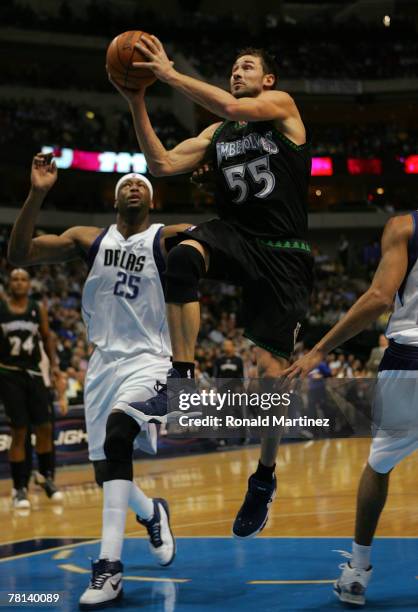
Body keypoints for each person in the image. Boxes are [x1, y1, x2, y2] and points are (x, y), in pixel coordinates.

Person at [111, 41, 313, 538]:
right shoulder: (217, 134)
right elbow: (159, 164)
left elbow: (230, 105)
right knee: (180, 260)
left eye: (247, 66)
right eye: (233, 66)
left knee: (271, 377)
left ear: (268, 80)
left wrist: (168, 73)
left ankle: (263, 478)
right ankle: (181, 377)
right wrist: (136, 98)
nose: (237, 71)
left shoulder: (282, 108)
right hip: (235, 235)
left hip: (283, 252)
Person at [8, 153, 190, 609]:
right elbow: (19, 255)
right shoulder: (89, 239)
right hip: (103, 363)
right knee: (107, 468)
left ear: (152, 200)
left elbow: (218, 237)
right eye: (127, 184)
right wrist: (37, 193)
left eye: (142, 185)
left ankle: (109, 567)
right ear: (114, 199)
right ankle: (152, 514)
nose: (134, 187)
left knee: (118, 433)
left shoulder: (164, 238)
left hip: (151, 360)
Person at [284, 212, 418, 605]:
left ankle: (358, 570)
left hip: (409, 359)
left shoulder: (405, 227)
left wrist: (320, 349)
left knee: (379, 466)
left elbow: (378, 297)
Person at [0, 268, 65, 508]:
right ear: (9, 283)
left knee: (45, 427)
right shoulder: (2, 309)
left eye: (23, 279)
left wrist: (55, 366)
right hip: (9, 373)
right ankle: (19, 488)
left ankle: (46, 477)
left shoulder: (38, 309)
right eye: (14, 278)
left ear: (30, 284)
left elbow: (47, 337)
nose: (19, 282)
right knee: (19, 431)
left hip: (35, 373)